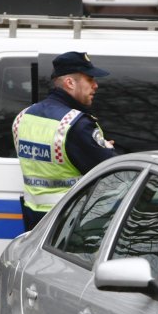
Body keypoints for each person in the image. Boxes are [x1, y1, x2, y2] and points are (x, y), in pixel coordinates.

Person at [12, 51, 117, 230]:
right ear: (70, 83)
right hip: (67, 225)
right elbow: (112, 172)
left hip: (33, 224)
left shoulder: (23, 117)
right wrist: (105, 148)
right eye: (90, 79)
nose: (96, 85)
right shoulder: (75, 125)